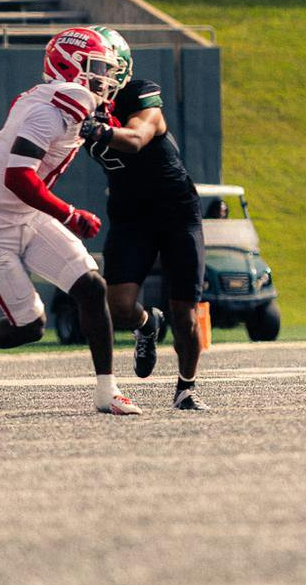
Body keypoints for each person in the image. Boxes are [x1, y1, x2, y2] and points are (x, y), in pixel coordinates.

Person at [0, 26, 139, 415]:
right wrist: (69, 214)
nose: (104, 76)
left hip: (28, 214)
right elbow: (17, 177)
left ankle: (108, 390)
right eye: (96, 66)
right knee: (30, 327)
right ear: (67, 65)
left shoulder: (62, 102)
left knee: (91, 286)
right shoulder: (47, 111)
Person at [77, 27, 210, 411]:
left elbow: (136, 138)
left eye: (100, 66)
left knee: (185, 312)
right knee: (118, 305)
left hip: (175, 210)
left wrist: (98, 129)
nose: (92, 74)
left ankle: (186, 387)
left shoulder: (138, 93)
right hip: (130, 213)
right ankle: (146, 324)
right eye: (88, 66)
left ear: (119, 68)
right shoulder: (76, 105)